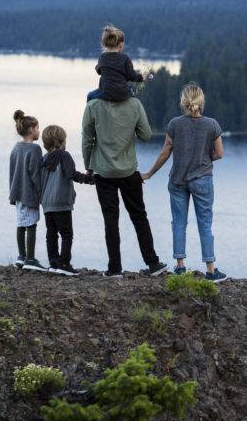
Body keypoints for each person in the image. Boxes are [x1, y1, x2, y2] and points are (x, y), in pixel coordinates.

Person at [142, 82, 228, 283]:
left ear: (184, 102)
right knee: (204, 225)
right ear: (201, 101)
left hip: (178, 180)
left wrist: (149, 174)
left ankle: (180, 267)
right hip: (202, 180)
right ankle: (210, 270)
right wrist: (204, 159)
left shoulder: (174, 124)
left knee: (178, 223)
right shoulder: (212, 124)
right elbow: (220, 154)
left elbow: (165, 152)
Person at [82, 92, 167, 278]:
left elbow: (87, 140)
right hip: (129, 170)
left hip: (103, 172)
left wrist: (88, 166)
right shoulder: (134, 103)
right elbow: (146, 135)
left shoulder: (92, 105)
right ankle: (153, 263)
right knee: (139, 216)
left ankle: (114, 269)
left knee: (110, 220)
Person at [39, 124, 95, 275]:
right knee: (66, 234)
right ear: (61, 141)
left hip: (47, 202)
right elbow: (71, 174)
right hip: (61, 202)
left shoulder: (44, 159)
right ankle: (64, 264)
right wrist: (89, 179)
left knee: (51, 234)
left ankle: (53, 263)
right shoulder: (64, 156)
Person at [9, 109, 45, 272]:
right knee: (31, 224)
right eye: (37, 128)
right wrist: (41, 193)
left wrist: (12, 194)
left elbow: (12, 171)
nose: (39, 131)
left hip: (17, 193)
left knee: (21, 224)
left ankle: (21, 256)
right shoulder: (35, 149)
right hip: (29, 193)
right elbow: (36, 174)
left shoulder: (16, 148)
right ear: (31, 130)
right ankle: (30, 258)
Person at [87, 24, 145, 102]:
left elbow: (99, 71)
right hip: (123, 94)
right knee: (132, 95)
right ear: (120, 44)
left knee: (90, 95)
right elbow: (132, 76)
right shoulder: (125, 58)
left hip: (106, 94)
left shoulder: (102, 57)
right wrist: (141, 77)